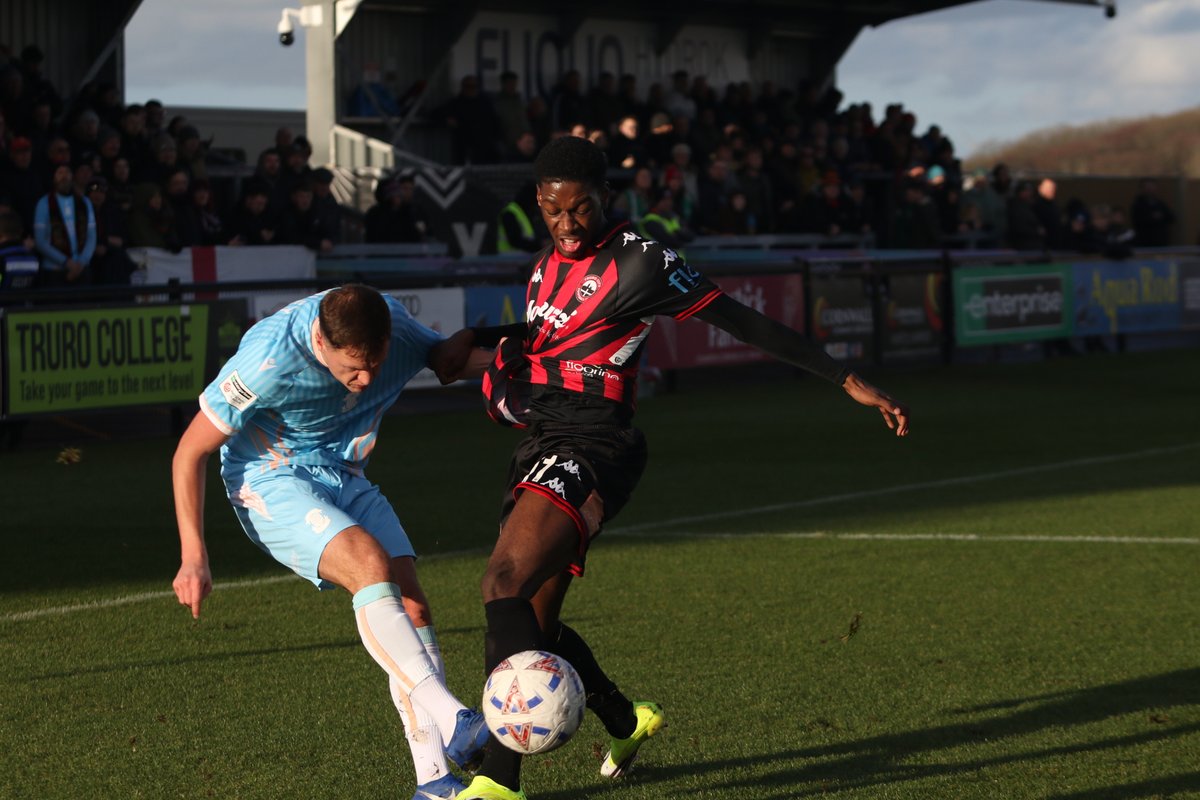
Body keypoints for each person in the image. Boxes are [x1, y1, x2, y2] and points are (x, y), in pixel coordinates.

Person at [453, 136, 911, 800]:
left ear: (606, 198)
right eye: (554, 211)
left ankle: (498, 782)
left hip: (594, 446)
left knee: (502, 584)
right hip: (542, 440)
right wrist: (472, 342)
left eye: (581, 208)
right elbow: (541, 336)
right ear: (540, 204)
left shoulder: (644, 263)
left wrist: (844, 378)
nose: (568, 224)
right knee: (536, 622)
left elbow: (743, 321)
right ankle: (624, 719)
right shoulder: (546, 262)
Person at [171, 284, 493, 800]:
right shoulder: (268, 359)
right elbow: (189, 452)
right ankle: (456, 718)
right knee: (369, 562)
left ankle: (434, 782)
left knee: (412, 606)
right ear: (320, 340)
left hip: (342, 471)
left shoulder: (385, 317)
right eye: (352, 370)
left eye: (374, 365)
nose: (365, 382)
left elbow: (444, 357)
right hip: (268, 477)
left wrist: (529, 356)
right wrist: (193, 556)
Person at [33, 163, 97, 286]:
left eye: (67, 172)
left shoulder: (84, 202)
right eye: (60, 173)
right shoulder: (44, 203)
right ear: (54, 178)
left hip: (82, 268)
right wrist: (66, 262)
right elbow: (40, 241)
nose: (64, 176)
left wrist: (81, 262)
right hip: (54, 270)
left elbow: (91, 236)